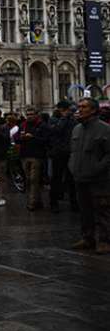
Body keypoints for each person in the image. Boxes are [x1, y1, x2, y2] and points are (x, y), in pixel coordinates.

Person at [69, 98, 110, 254]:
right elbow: (73, 151)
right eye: (79, 106)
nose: (80, 109)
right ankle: (88, 238)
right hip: (80, 176)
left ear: (93, 110)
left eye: (84, 107)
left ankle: (105, 240)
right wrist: (72, 165)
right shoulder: (77, 129)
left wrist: (97, 168)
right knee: (85, 210)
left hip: (99, 179)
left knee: (102, 210)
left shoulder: (105, 129)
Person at [15, 107, 50, 211]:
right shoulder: (23, 125)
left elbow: (46, 140)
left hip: (37, 156)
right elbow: (16, 138)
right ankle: (38, 200)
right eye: (28, 114)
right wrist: (21, 138)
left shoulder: (42, 125)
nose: (29, 116)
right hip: (25, 155)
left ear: (36, 115)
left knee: (33, 179)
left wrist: (33, 137)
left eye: (31, 114)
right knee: (29, 179)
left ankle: (32, 203)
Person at [48, 100, 78, 213]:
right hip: (58, 153)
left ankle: (74, 203)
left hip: (70, 152)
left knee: (71, 179)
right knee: (56, 178)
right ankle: (53, 203)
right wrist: (64, 118)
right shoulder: (54, 119)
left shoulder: (72, 120)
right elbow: (56, 131)